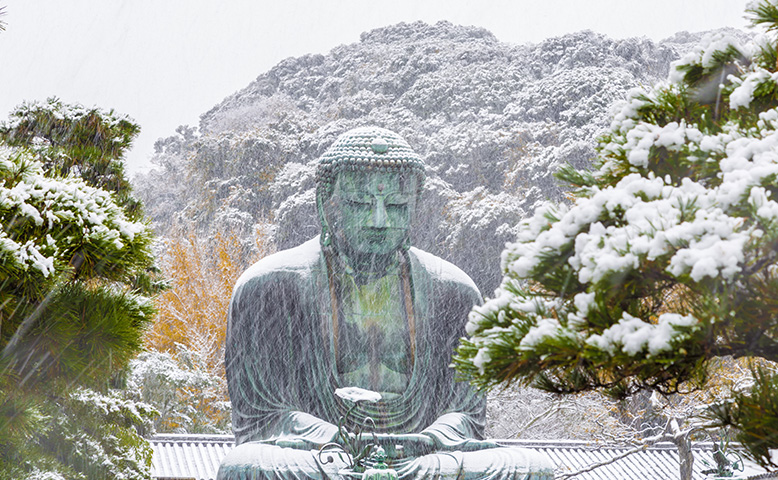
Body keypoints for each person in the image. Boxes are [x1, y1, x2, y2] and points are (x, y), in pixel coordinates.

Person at [217, 127, 554, 480]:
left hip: (425, 459)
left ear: (414, 209)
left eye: (395, 205)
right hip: (324, 458)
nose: (379, 220)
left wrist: (426, 441)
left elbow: (467, 415)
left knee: (532, 470)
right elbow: (261, 417)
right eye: (360, 204)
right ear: (324, 203)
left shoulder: (453, 291)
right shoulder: (271, 284)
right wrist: (338, 440)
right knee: (247, 468)